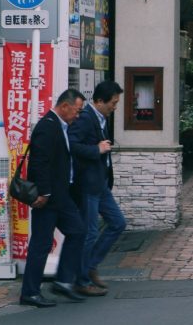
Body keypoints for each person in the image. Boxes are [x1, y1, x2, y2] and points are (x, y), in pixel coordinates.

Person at [20, 89, 88, 308]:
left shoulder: (61, 126)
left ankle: (63, 281)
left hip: (62, 195)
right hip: (48, 198)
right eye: (77, 110)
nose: (78, 115)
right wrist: (44, 193)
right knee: (41, 244)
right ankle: (30, 292)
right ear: (65, 106)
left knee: (77, 231)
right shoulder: (47, 126)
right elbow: (39, 162)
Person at [69, 81, 127, 296]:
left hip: (100, 183)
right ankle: (82, 280)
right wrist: (96, 149)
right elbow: (72, 144)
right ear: (100, 101)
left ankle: (91, 266)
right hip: (88, 184)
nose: (115, 107)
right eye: (113, 103)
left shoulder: (102, 118)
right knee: (90, 232)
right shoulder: (86, 118)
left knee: (118, 223)